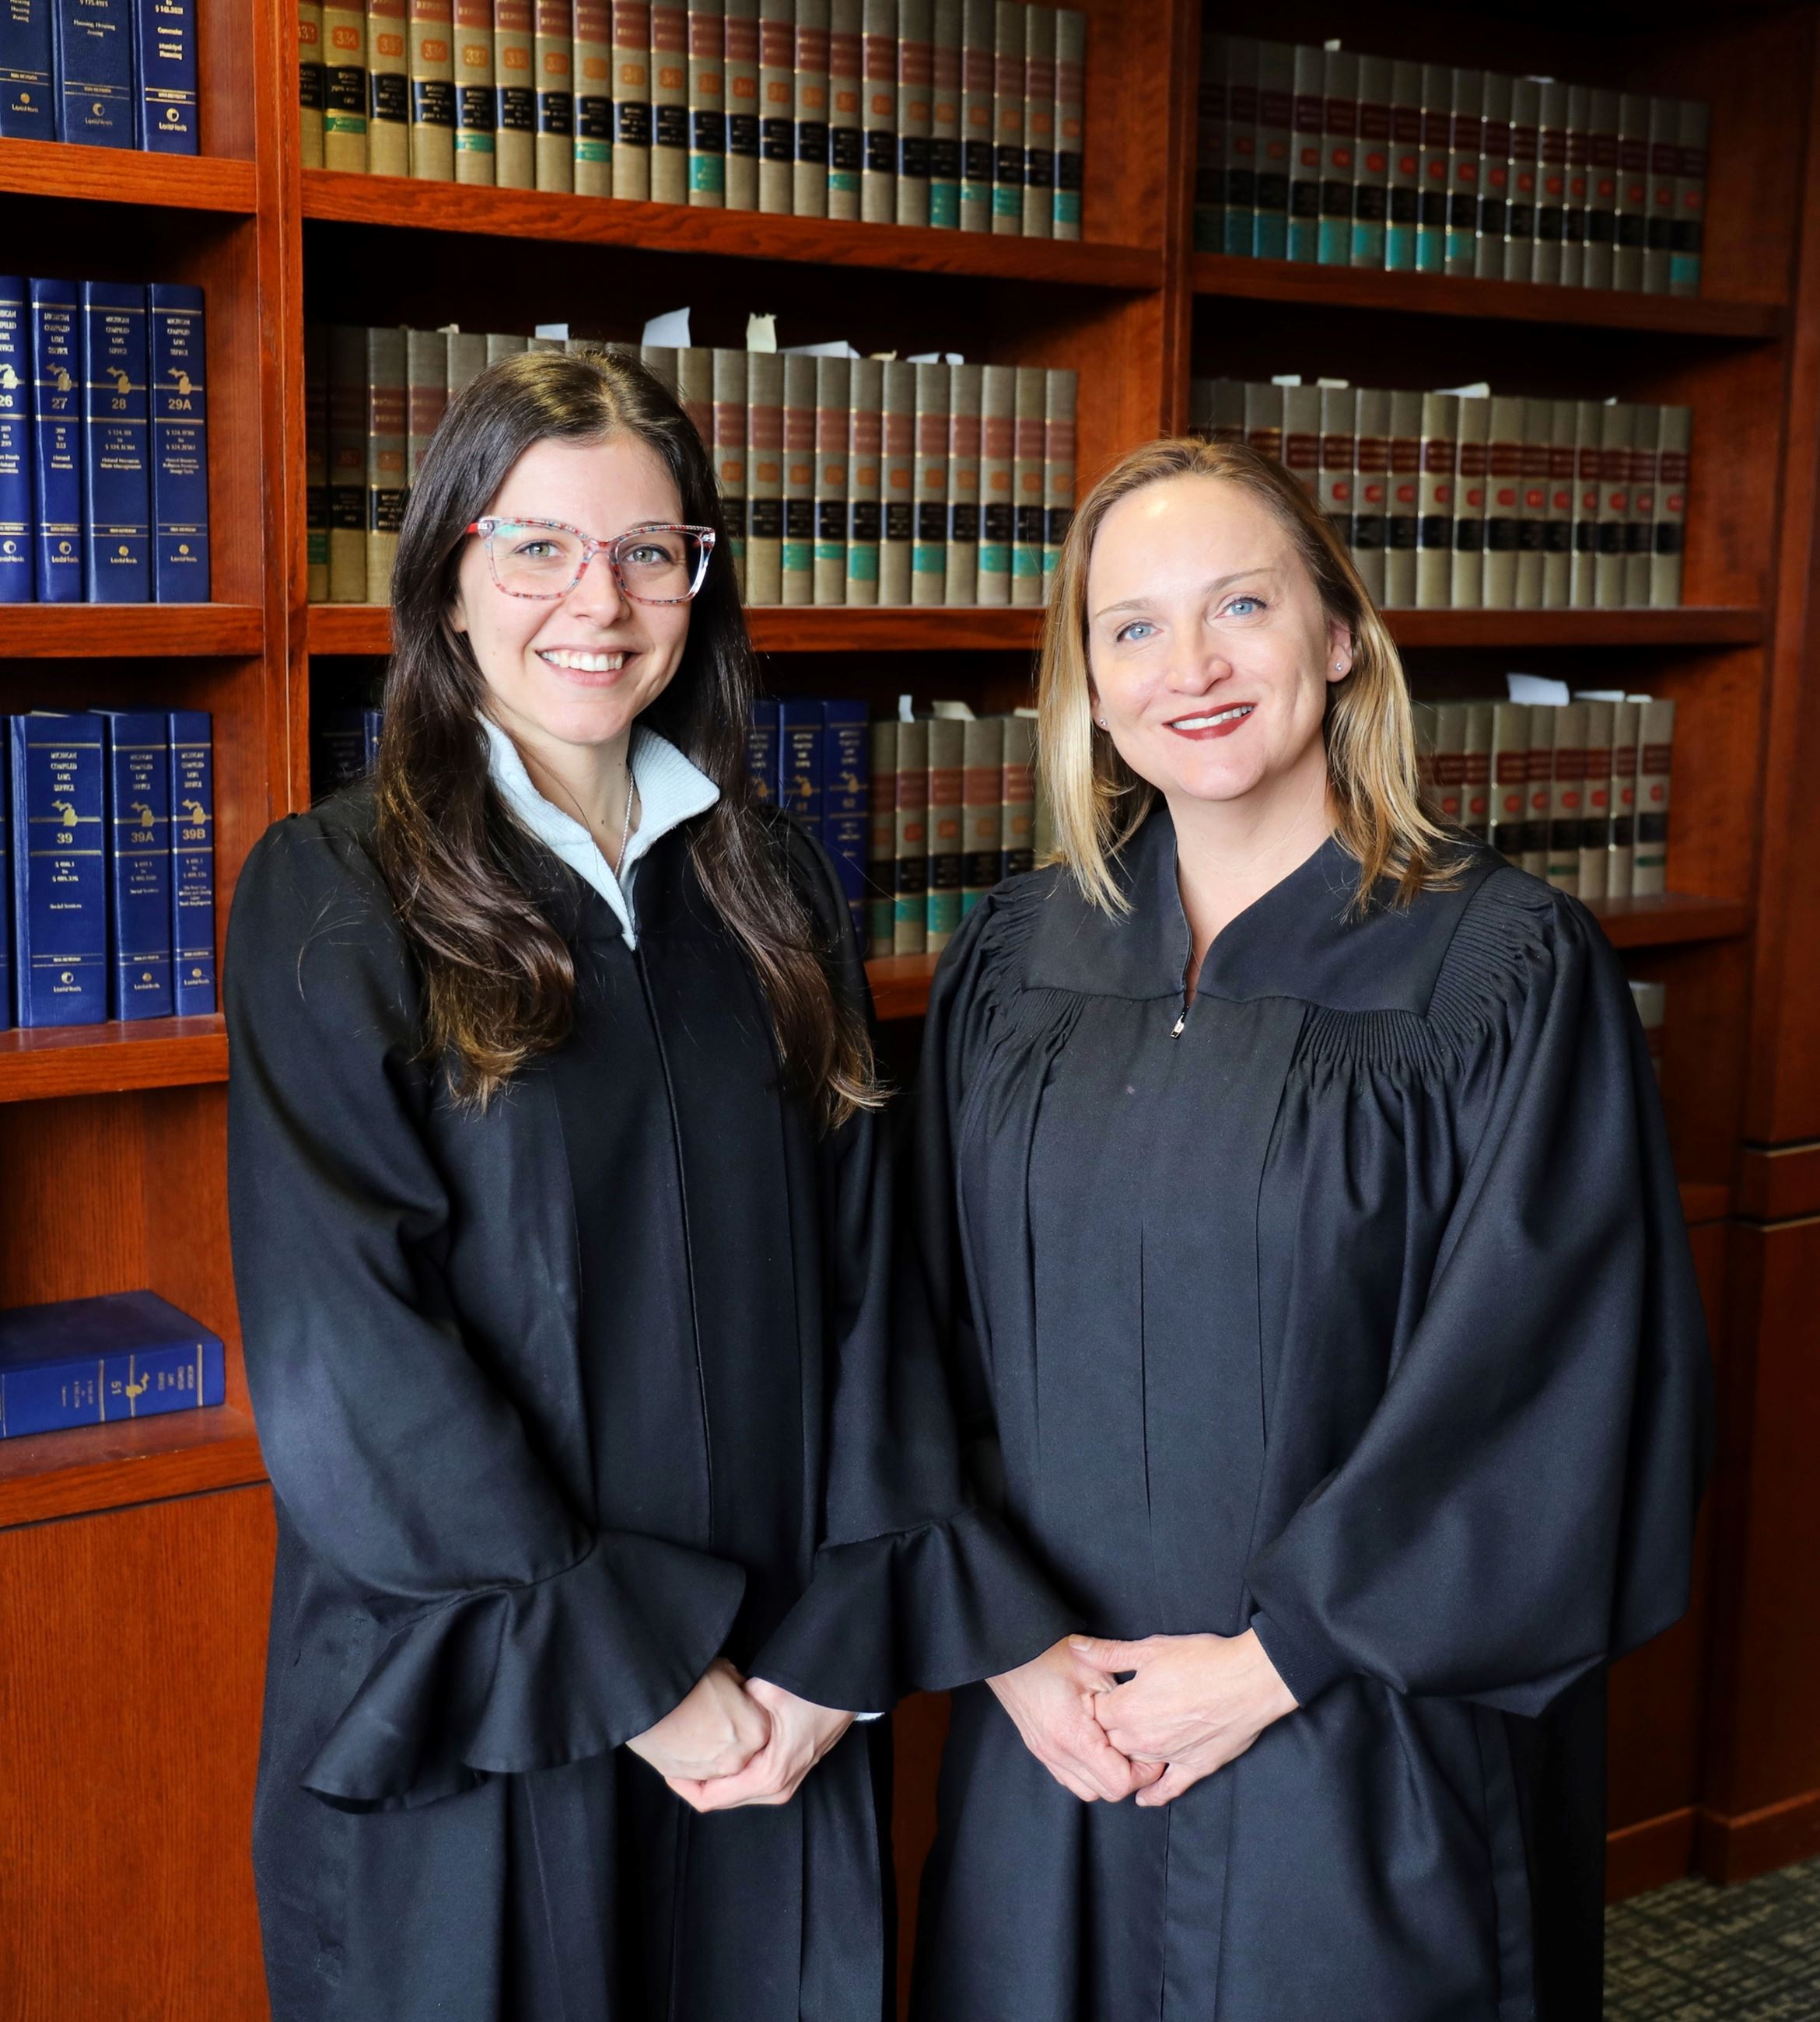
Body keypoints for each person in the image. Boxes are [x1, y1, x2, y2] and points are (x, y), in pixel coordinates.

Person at [226, 348, 1068, 2022]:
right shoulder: (339, 893)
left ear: (700, 579)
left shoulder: (771, 886)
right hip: (486, 1677)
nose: (596, 601)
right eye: (538, 546)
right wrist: (635, 1670)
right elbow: (352, 1356)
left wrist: (837, 1646)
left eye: (647, 551)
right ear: (449, 573)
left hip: (774, 1685)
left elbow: (872, 1283)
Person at [907, 436, 1713, 2021]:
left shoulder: (1500, 969)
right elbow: (911, 1331)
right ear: (1090, 682)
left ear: (1338, 634)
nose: (1190, 668)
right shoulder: (1011, 965)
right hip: (1062, 1728)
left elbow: (1553, 1376)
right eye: (1133, 626)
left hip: (1360, 1724)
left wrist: (1274, 1665)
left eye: (1241, 606)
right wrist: (1003, 1638)